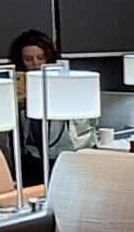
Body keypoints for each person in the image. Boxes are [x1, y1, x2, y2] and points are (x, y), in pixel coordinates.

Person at [8, 28, 97, 187]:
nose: (35, 63)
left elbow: (82, 117)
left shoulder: (66, 79)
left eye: (40, 58)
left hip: (69, 146)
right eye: (28, 59)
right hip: (33, 150)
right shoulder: (19, 81)